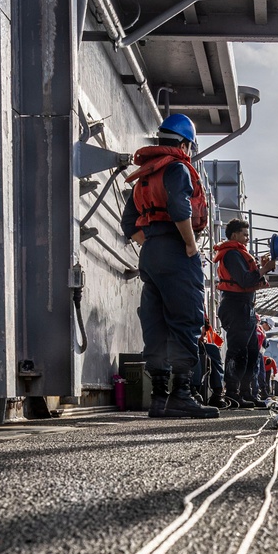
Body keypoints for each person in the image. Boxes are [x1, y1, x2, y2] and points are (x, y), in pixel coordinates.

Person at [122, 113, 219, 418]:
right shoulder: (177, 168)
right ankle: (181, 395)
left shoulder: (146, 174)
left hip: (150, 252)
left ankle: (159, 399)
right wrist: (189, 244)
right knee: (185, 321)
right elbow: (180, 208)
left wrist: (152, 242)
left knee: (157, 324)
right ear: (185, 144)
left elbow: (128, 223)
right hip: (176, 252)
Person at [214, 218, 272, 407]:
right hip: (235, 305)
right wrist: (263, 269)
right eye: (245, 234)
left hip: (246, 307)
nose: (248, 238)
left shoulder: (240, 254)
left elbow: (252, 281)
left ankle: (246, 392)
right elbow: (245, 281)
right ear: (234, 235)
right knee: (238, 351)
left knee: (252, 352)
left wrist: (261, 269)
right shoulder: (231, 254)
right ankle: (232, 392)